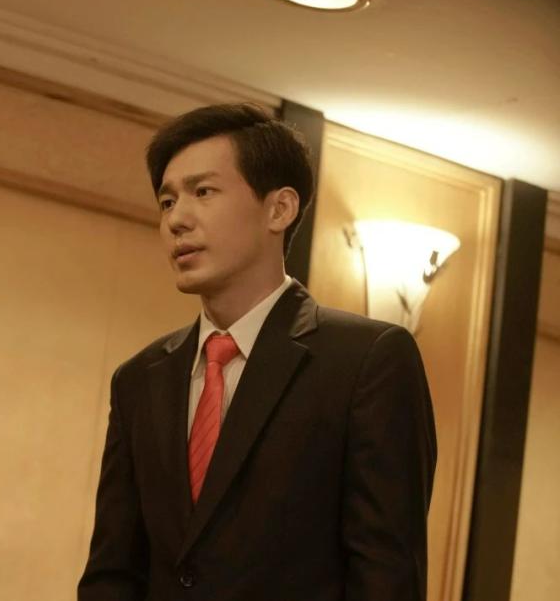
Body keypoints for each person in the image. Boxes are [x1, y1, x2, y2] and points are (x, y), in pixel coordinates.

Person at [78, 103, 437, 600]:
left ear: (279, 209)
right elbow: (113, 571)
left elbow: (386, 574)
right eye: (167, 201)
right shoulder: (140, 378)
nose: (177, 219)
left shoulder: (367, 361)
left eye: (203, 192)